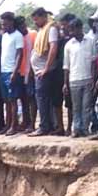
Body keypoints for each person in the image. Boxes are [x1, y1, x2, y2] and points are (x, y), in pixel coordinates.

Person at [29, 8, 63, 136]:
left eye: (36, 19)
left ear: (43, 17)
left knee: (42, 99)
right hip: (38, 71)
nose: (35, 22)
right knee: (43, 100)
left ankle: (44, 127)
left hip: (45, 71)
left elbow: (53, 48)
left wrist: (46, 68)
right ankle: (48, 125)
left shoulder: (51, 29)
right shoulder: (42, 30)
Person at [63, 19, 95, 138]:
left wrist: (93, 78)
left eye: (73, 29)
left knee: (86, 107)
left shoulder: (90, 41)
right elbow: (66, 66)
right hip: (74, 80)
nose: (71, 32)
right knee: (76, 107)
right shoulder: (69, 45)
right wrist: (65, 83)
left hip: (87, 78)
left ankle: (85, 129)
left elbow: (93, 62)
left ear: (80, 28)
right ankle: (76, 129)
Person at [0, 12, 24, 135]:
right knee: (6, 101)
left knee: (13, 100)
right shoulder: (4, 36)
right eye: (2, 24)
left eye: (5, 23)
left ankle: (14, 126)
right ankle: (8, 124)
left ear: (11, 22)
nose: (3, 26)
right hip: (3, 71)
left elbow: (20, 54)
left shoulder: (17, 36)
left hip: (11, 72)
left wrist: (15, 71)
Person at [19, 18, 37, 133]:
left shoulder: (33, 34)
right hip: (20, 72)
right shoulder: (18, 37)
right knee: (23, 99)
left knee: (31, 99)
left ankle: (32, 123)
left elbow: (36, 52)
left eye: (22, 25)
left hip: (31, 71)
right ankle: (25, 121)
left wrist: (31, 69)